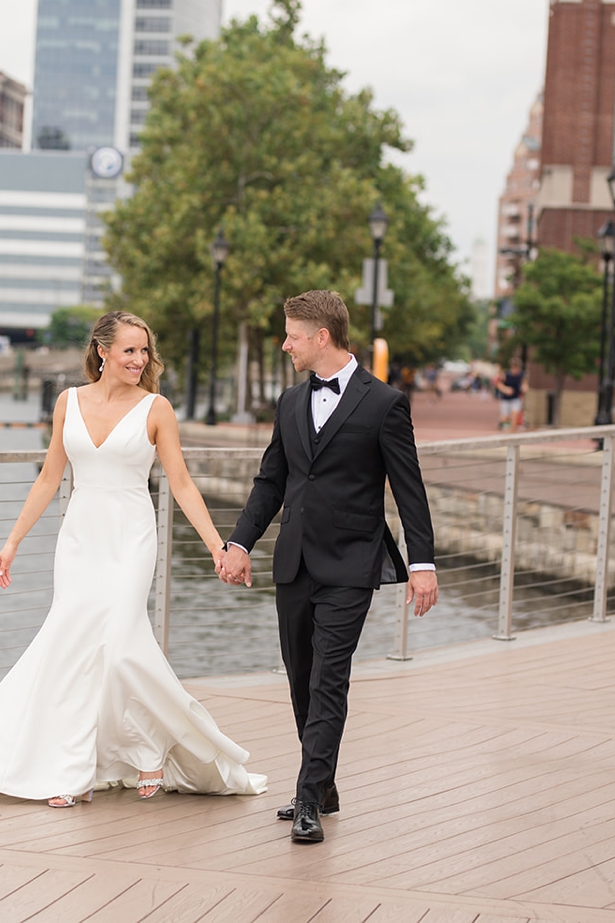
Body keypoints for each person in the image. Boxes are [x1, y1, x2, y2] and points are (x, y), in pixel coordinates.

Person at [0, 310, 267, 807]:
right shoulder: (67, 402)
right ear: (102, 351)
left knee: (121, 646)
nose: (140, 360)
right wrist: (12, 542)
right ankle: (72, 771)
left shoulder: (157, 409)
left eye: (144, 351)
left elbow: (180, 483)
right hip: (80, 540)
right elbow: (49, 478)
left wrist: (218, 547)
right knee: (72, 650)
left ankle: (149, 743)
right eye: (130, 350)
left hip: (131, 538)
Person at [218, 290, 436, 844]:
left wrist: (423, 563)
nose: (284, 343)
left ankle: (308, 797)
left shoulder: (385, 403)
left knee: (327, 681)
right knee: (299, 681)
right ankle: (325, 782)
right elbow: (271, 481)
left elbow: (409, 491)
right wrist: (240, 544)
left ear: (321, 337)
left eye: (291, 334)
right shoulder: (290, 402)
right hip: (293, 561)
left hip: (351, 563)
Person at [495, 358, 524, 432]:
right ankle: (502, 422)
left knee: (515, 416)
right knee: (505, 418)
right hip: (506, 399)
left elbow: (524, 384)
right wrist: (505, 389)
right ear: (512, 367)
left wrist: (524, 388)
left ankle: (512, 434)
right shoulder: (505, 375)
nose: (516, 371)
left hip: (515, 399)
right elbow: (498, 384)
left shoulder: (521, 375)